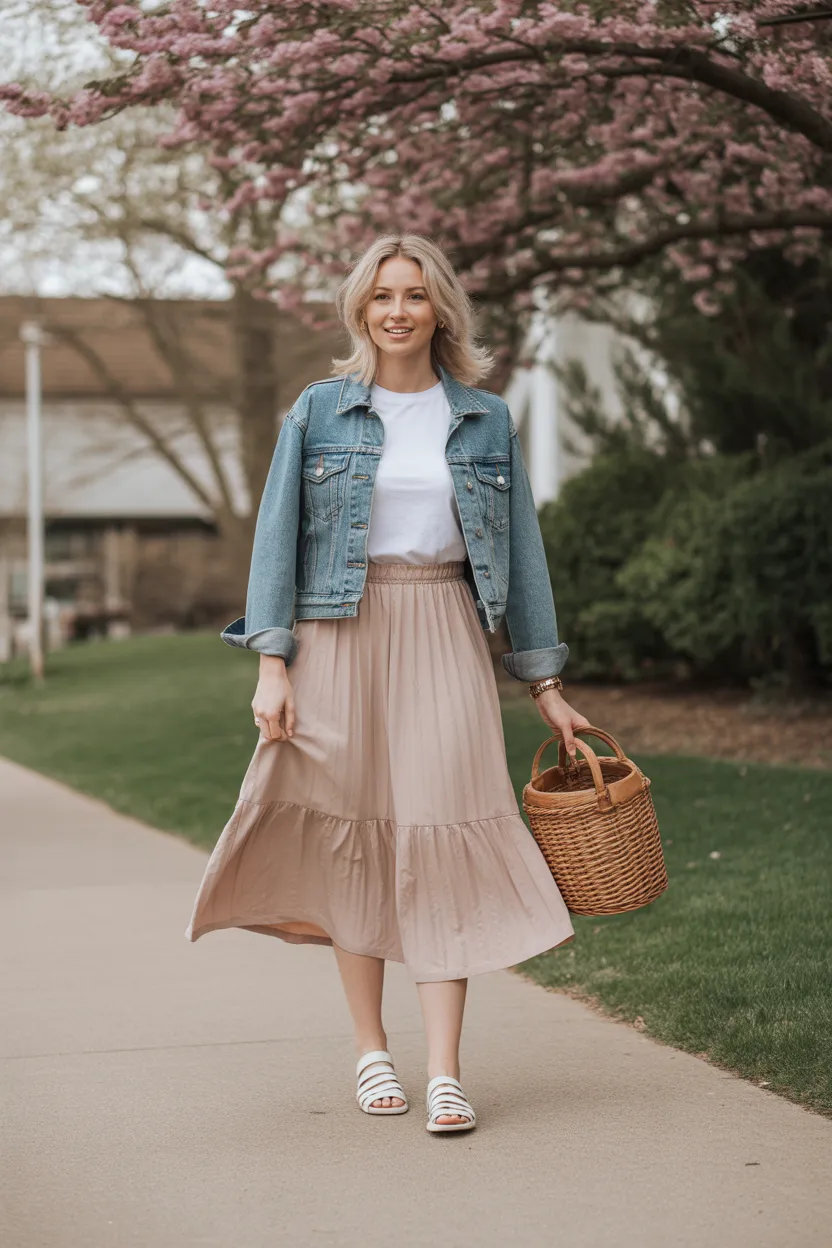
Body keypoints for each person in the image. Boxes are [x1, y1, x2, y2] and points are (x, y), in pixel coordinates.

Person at [185, 233, 590, 1134]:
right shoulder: (319, 412)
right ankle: (373, 1053)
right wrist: (271, 662)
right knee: (356, 839)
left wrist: (544, 682)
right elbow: (275, 543)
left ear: (440, 308)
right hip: (337, 634)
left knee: (443, 829)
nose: (398, 311)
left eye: (414, 295)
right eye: (381, 297)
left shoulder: (485, 418)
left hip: (443, 628)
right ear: (360, 310)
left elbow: (523, 555)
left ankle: (445, 1071)